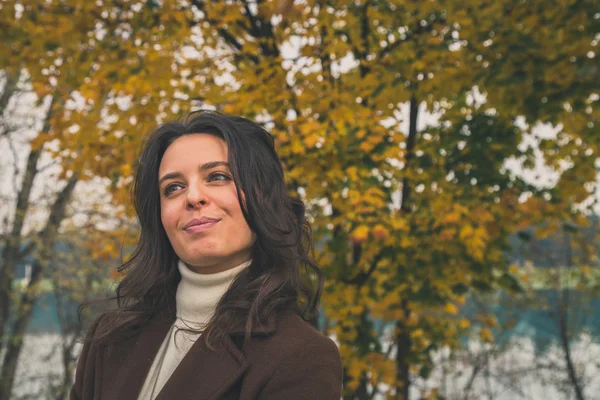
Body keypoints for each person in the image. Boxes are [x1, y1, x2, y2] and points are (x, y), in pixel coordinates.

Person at [70, 111, 343, 400]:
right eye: (173, 187)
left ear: (263, 198)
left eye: (217, 176)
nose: (192, 197)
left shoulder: (300, 356)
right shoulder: (110, 338)